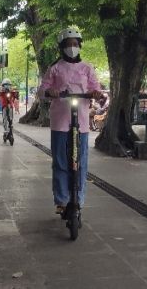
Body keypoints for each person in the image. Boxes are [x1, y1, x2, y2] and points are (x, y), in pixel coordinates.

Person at [39, 28, 102, 215]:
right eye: (68, 44)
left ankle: (79, 198)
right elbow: (42, 90)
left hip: (81, 122)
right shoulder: (55, 68)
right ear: (62, 48)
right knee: (60, 161)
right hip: (60, 120)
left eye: (75, 44)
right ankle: (61, 199)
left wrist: (96, 93)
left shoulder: (87, 68)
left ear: (79, 46)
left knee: (81, 161)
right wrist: (50, 92)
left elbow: (95, 88)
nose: (72, 47)